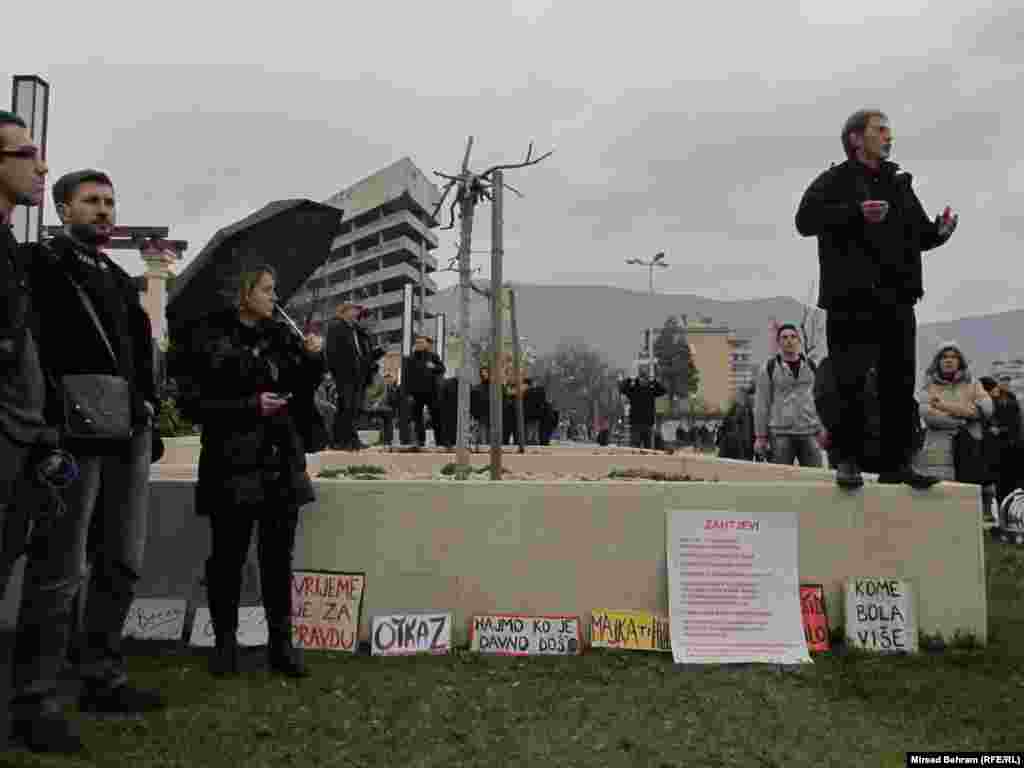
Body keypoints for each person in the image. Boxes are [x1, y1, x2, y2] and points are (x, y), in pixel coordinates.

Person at [11, 169, 162, 751]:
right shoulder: (40, 265)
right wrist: (45, 419)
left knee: (122, 561)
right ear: (63, 208)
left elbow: (137, 353)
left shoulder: (120, 278)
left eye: (109, 202)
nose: (103, 211)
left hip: (127, 432)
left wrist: (148, 403)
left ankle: (102, 675)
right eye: (91, 202)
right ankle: (35, 700)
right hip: (70, 437)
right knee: (60, 571)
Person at [796, 108, 957, 489]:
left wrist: (940, 232)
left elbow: (919, 234)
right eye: (880, 130)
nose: (889, 137)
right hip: (850, 300)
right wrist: (855, 214)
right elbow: (804, 222)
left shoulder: (899, 182)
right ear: (855, 138)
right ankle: (847, 461)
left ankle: (897, 464)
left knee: (898, 386)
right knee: (848, 382)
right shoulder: (832, 180)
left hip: (898, 299)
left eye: (889, 131)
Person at [190, 265, 324, 679]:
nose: (274, 297)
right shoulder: (211, 337)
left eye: (275, 289)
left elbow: (301, 391)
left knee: (277, 558)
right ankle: (225, 643)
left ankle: (280, 644)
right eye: (267, 289)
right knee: (228, 557)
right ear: (244, 292)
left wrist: (312, 358)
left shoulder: (283, 336)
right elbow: (196, 405)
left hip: (279, 459)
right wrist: (251, 406)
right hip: (232, 462)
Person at [0, 113, 84, 754]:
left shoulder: (9, 248)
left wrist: (42, 431)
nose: (43, 165)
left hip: (26, 443)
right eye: (30, 152)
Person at [916, 343, 993, 493]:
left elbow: (987, 409)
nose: (949, 360)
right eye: (944, 357)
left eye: (953, 357)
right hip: (938, 452)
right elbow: (929, 416)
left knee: (970, 496)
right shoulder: (928, 386)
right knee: (941, 496)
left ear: (960, 361)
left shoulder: (973, 384)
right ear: (937, 361)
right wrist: (966, 416)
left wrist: (944, 406)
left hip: (970, 448)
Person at [753, 323, 823, 467]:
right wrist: (761, 437)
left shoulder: (811, 366)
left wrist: (823, 428)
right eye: (784, 337)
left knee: (815, 477)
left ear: (799, 341)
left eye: (793, 337)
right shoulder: (769, 368)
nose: (789, 340)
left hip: (809, 431)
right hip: (781, 433)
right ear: (778, 342)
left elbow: (819, 400)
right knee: (780, 478)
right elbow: (762, 404)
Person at [326, 302, 366, 450]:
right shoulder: (336, 326)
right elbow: (331, 351)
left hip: (356, 375)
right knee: (346, 407)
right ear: (345, 311)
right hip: (344, 374)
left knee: (351, 408)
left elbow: (358, 352)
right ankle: (342, 440)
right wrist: (335, 372)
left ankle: (347, 439)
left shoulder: (352, 329)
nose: (356, 313)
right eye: (354, 309)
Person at [406, 335, 445, 447]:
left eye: (421, 342)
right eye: (417, 342)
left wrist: (433, 367)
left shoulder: (433, 356)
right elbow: (407, 377)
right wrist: (408, 394)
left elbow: (442, 369)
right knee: (417, 419)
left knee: (436, 418)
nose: (419, 344)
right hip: (416, 393)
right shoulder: (411, 358)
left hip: (432, 392)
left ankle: (440, 442)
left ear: (427, 344)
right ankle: (420, 441)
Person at [619, 370, 666, 448]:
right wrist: (629, 380)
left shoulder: (650, 390)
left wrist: (654, 382)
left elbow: (663, 391)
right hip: (636, 424)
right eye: (641, 379)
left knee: (647, 448)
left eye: (644, 379)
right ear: (638, 379)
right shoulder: (633, 390)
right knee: (635, 447)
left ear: (647, 380)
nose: (643, 381)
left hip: (647, 424)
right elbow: (622, 389)